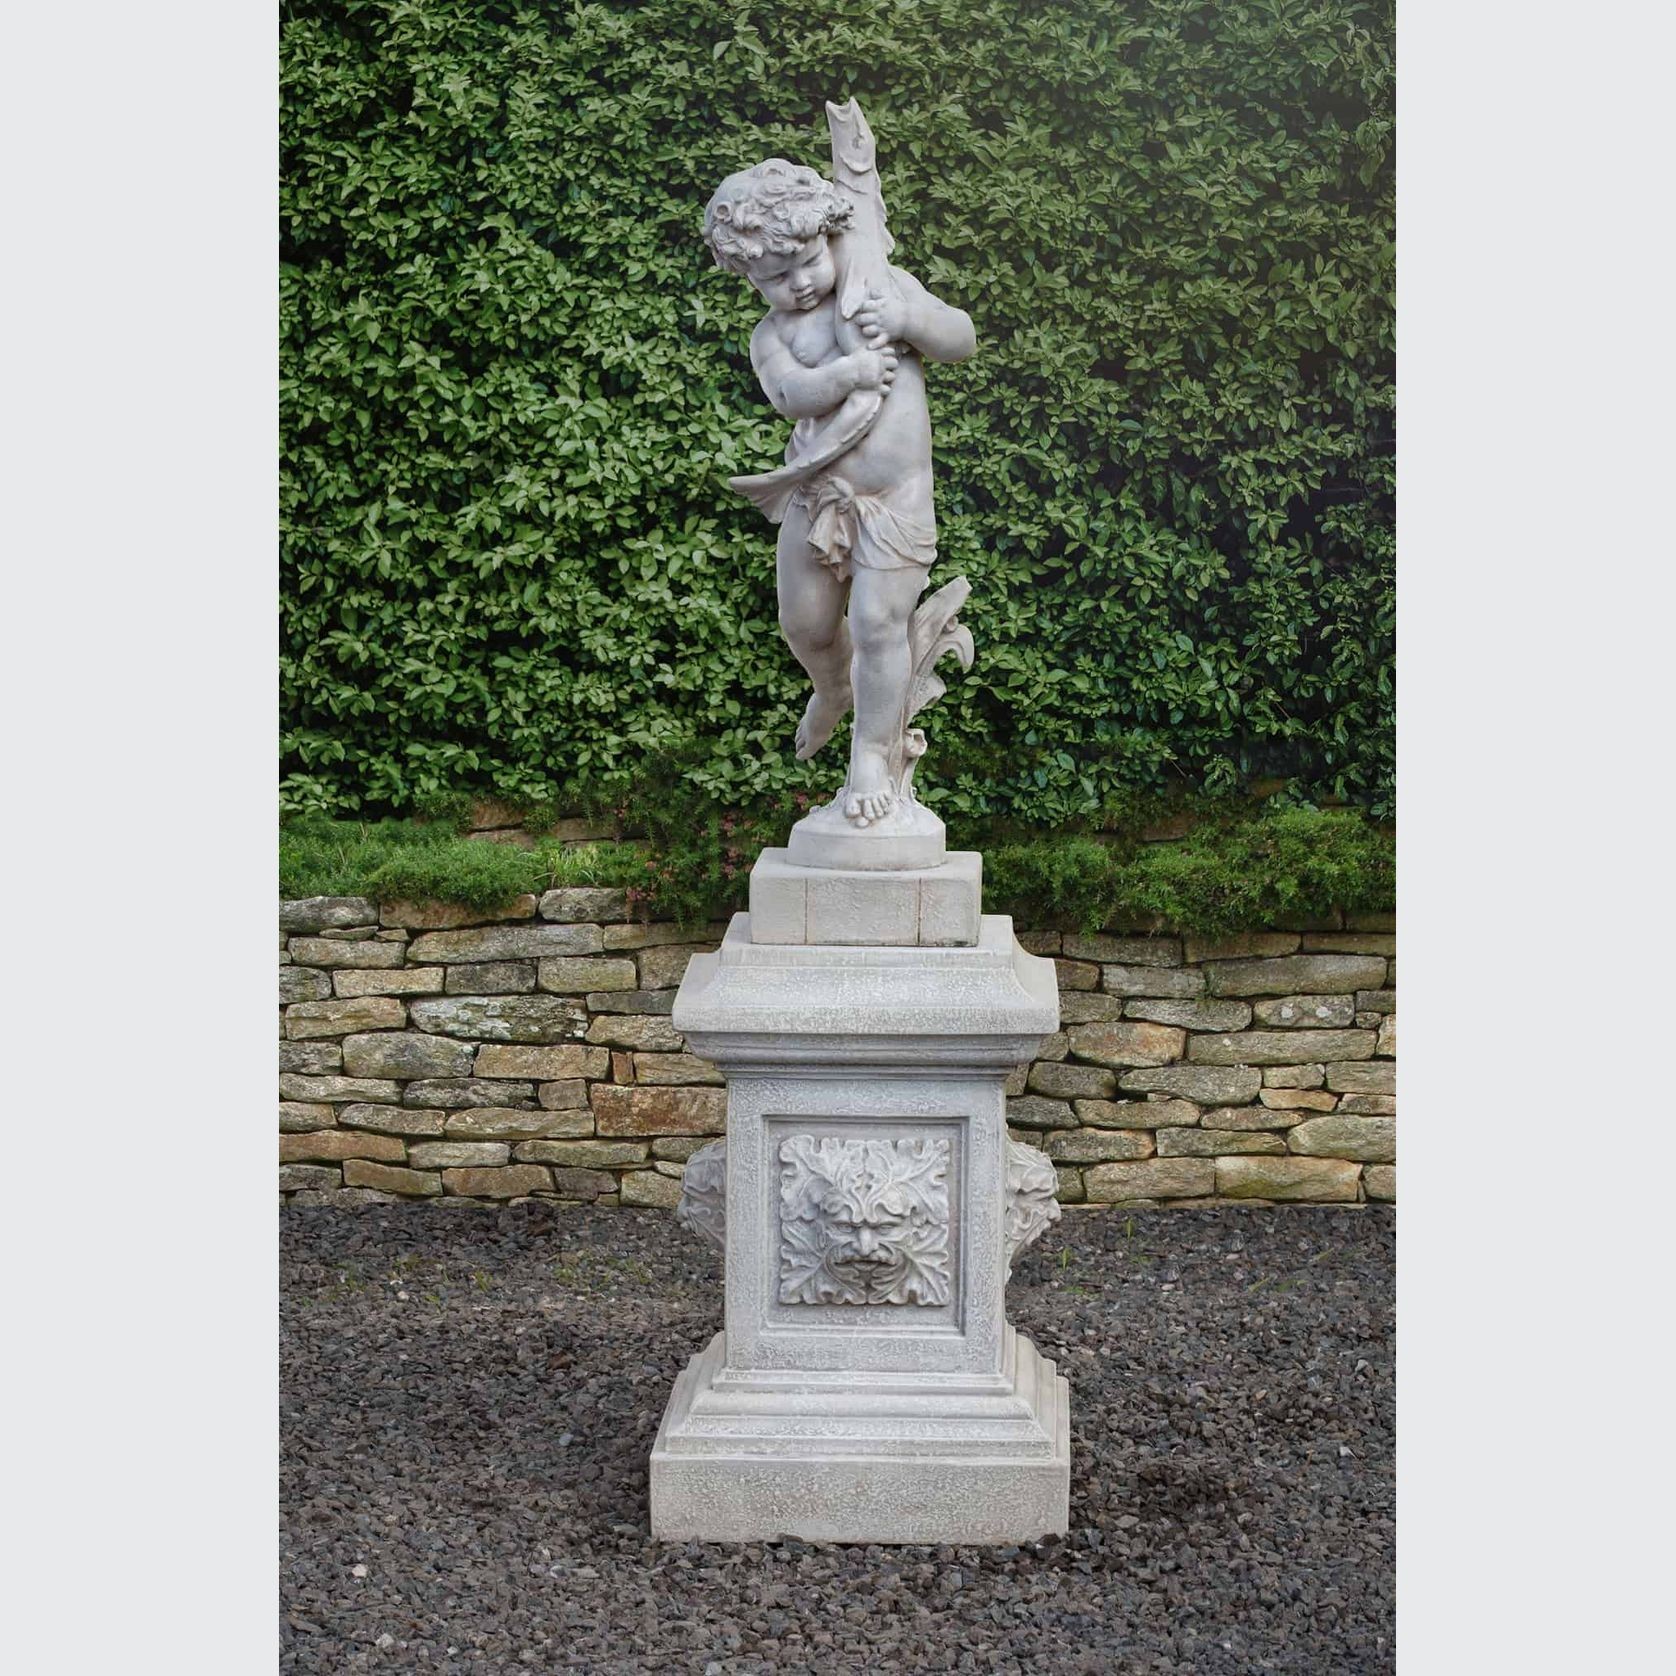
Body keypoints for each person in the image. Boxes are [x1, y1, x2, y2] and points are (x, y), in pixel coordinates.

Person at [703, 158, 975, 826]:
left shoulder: (883, 290)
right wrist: (853, 370)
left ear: (830, 234)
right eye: (776, 278)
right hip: (816, 494)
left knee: (877, 626)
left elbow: (961, 338)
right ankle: (830, 687)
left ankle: (870, 758)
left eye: (807, 263)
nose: (798, 286)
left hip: (895, 502)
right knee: (805, 623)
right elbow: (790, 395)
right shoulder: (772, 335)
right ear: (749, 279)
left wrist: (910, 320)